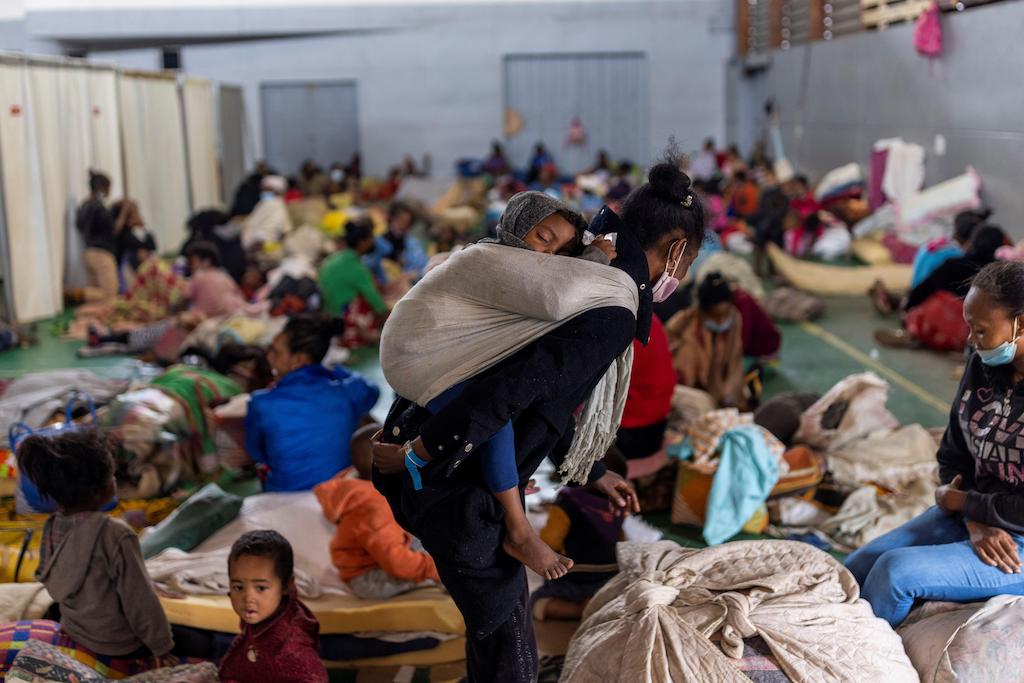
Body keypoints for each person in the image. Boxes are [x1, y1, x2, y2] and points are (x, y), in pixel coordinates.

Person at [371, 153, 704, 682]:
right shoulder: (610, 302)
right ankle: (518, 531)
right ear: (678, 249)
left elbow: (532, 392)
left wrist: (593, 471)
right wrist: (427, 449)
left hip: (444, 466)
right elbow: (511, 391)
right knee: (508, 647)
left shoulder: (576, 276)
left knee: (497, 633)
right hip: (459, 485)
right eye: (687, 264)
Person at [416, 192, 616, 581]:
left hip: (451, 364)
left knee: (510, 399)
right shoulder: (489, 258)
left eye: (561, 250)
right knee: (493, 410)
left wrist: (593, 470)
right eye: (542, 237)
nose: (548, 255)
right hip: (429, 367)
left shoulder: (516, 268)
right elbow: (557, 299)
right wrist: (593, 261)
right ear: (515, 225)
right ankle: (518, 529)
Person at [846, 261, 1024, 627]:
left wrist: (963, 502)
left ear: (1021, 324)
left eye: (981, 329)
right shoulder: (982, 365)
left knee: (895, 574)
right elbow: (953, 452)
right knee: (856, 568)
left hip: (1018, 545)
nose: (971, 339)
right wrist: (974, 517)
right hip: (973, 517)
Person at [14, 431, 174, 669]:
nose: (115, 480)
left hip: (76, 630)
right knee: (200, 642)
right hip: (119, 645)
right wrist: (162, 647)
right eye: (111, 475)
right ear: (97, 489)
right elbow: (140, 600)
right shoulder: (116, 534)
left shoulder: (52, 526)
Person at [246, 314, 380, 492]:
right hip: (339, 491)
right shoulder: (347, 391)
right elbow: (371, 390)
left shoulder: (261, 403)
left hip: (285, 497)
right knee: (364, 419)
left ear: (299, 359)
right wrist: (332, 369)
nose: (269, 357)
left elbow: (256, 453)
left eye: (275, 351)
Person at [314, 424, 441, 600]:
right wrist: (434, 569)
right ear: (385, 463)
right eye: (403, 452)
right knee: (449, 568)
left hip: (373, 562)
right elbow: (395, 561)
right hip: (368, 578)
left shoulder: (357, 484)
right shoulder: (376, 506)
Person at [219, 530, 327, 683]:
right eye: (238, 587)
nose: (248, 598)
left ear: (286, 586)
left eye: (261, 588)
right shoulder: (263, 616)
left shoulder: (292, 648)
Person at [532, 454, 628, 621]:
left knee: (536, 602)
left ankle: (579, 610)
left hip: (575, 577)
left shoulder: (567, 503)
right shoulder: (617, 503)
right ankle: (602, 604)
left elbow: (549, 541)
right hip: (610, 575)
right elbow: (620, 540)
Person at [666, 272, 746, 409]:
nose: (721, 321)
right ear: (703, 310)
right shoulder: (684, 325)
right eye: (716, 316)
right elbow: (680, 370)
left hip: (722, 388)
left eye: (724, 315)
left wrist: (728, 392)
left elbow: (734, 361)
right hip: (691, 390)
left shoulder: (734, 318)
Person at [616, 315, 674, 460]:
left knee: (623, 469)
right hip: (658, 409)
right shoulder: (651, 318)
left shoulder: (624, 324)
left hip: (635, 415)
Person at [75, 171, 131, 303]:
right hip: (102, 253)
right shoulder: (99, 207)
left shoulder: (84, 205)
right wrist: (124, 211)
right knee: (110, 293)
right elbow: (113, 230)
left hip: (88, 252)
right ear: (103, 188)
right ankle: (73, 293)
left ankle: (85, 316)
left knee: (98, 297)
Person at [319, 217, 388, 318]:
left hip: (329, 312)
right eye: (371, 238)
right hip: (342, 317)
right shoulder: (356, 267)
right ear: (362, 242)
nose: (373, 241)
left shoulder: (333, 259)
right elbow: (376, 302)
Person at [184, 241, 251, 319]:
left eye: (193, 262)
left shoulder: (199, 275)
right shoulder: (224, 275)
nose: (191, 266)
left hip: (205, 318)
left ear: (206, 261)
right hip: (229, 315)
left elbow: (186, 298)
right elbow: (238, 294)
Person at [368, 201, 429, 282]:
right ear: (393, 218)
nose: (403, 224)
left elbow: (421, 262)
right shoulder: (382, 238)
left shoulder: (411, 241)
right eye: (401, 219)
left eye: (407, 221)